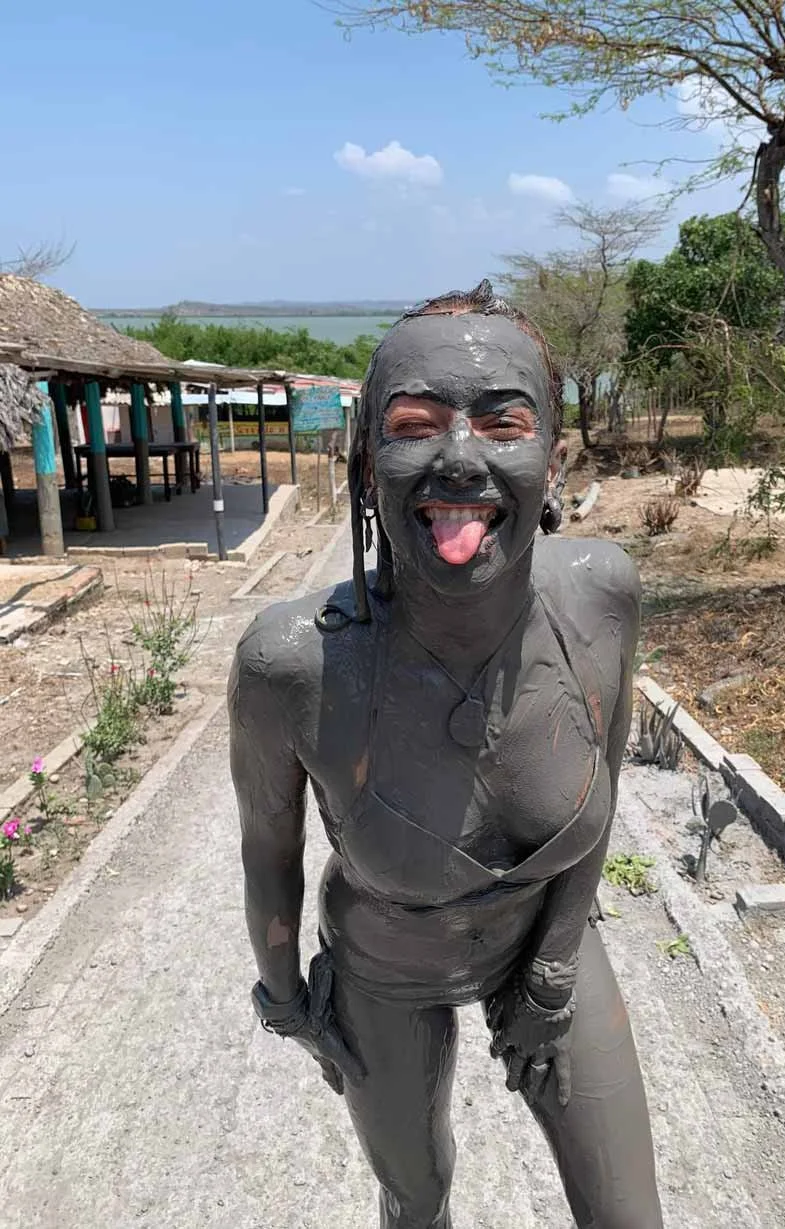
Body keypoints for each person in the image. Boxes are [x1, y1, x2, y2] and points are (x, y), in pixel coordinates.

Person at [229, 280, 664, 1229]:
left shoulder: (601, 599)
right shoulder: (291, 663)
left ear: (554, 462)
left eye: (504, 424)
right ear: (364, 466)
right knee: (416, 1194)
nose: (460, 458)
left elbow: (604, 782)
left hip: (540, 938)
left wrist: (552, 972)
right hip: (384, 967)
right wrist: (289, 1004)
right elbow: (269, 851)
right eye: (415, 425)